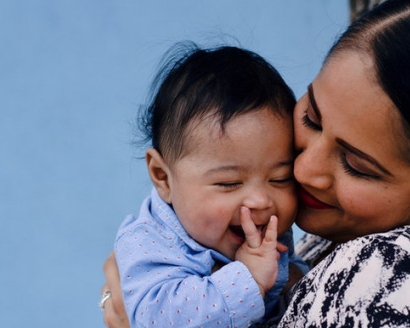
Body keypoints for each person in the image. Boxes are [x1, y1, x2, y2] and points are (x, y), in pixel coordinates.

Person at [101, 0, 410, 326]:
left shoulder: (397, 285)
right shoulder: (347, 229)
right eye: (311, 118)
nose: (302, 170)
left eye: (355, 164)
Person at [106, 44, 308, 328]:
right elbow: (154, 319)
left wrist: (294, 282)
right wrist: (247, 278)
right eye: (229, 183)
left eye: (280, 178)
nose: (261, 200)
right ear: (162, 177)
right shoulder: (148, 242)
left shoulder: (260, 230)